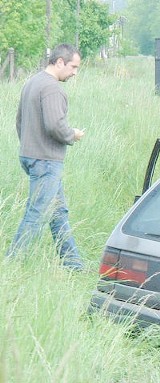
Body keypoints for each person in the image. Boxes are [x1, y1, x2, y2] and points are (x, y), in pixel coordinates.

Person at [6, 43, 86, 270]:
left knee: (58, 213)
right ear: (59, 62)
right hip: (46, 162)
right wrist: (73, 135)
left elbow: (19, 121)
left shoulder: (32, 82)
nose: (74, 72)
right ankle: (12, 263)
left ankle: (74, 265)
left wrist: (29, 147)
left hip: (31, 156)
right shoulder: (53, 88)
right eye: (73, 66)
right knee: (37, 213)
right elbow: (55, 126)